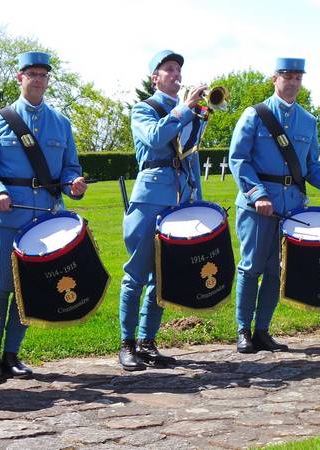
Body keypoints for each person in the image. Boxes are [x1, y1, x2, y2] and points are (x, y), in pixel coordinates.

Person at [0, 52, 86, 383]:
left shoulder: (61, 124)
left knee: (29, 287)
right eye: (31, 74)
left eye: (42, 74)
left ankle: (12, 354)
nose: (37, 79)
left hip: (44, 218)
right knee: (0, 285)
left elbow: (70, 168)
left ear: (48, 80)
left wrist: (73, 185)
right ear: (19, 78)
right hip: (6, 217)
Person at [229, 58, 320, 353]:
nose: (293, 83)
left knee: (275, 270)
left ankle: (262, 331)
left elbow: (310, 167)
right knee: (250, 267)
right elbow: (238, 158)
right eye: (287, 76)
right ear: (275, 79)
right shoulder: (255, 115)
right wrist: (257, 194)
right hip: (257, 206)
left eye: (298, 78)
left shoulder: (307, 121)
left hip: (290, 207)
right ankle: (243, 329)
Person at [118, 50, 206, 371]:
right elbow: (156, 139)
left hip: (180, 199)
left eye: (178, 70)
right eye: (168, 69)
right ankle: (127, 344)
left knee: (163, 277)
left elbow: (191, 156)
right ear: (155, 78)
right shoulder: (144, 109)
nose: (176, 74)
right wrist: (184, 108)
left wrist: (197, 198)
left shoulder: (189, 113)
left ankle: (148, 341)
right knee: (137, 273)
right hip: (150, 197)